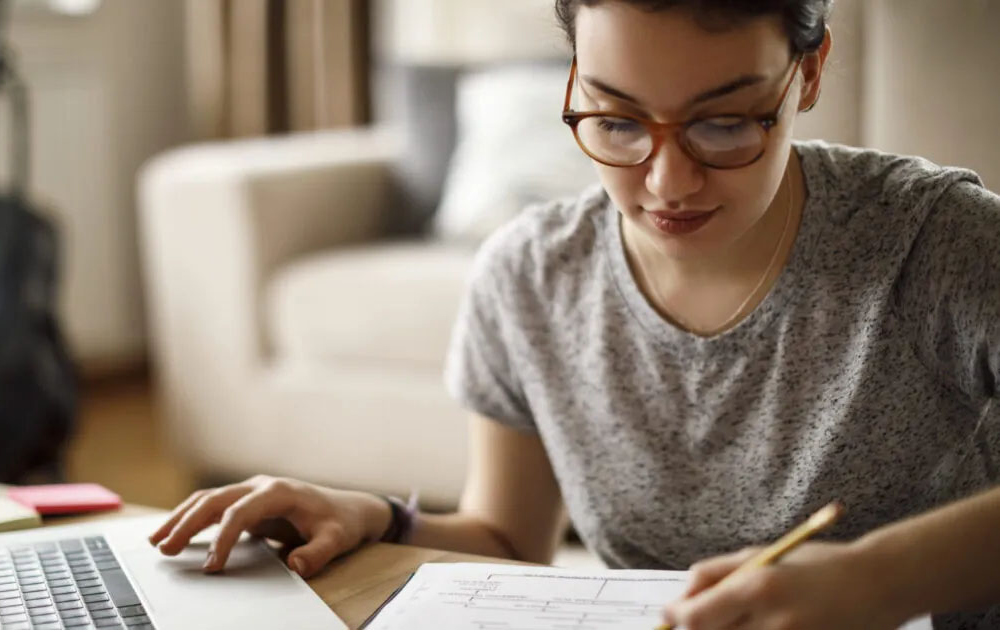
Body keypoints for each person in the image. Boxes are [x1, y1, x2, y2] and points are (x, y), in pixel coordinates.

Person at [148, 1, 1000, 628]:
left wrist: (873, 585)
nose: (667, 182)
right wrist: (377, 519)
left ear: (807, 73)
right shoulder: (530, 275)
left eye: (726, 123)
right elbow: (510, 540)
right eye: (618, 118)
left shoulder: (939, 245)